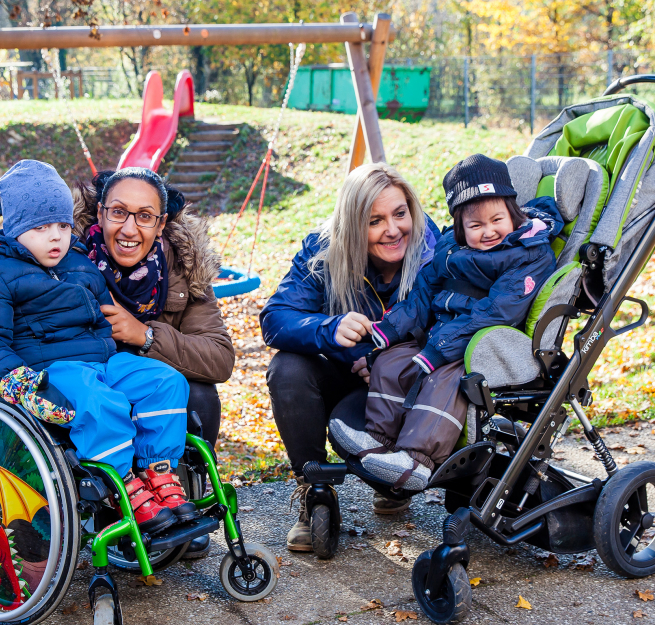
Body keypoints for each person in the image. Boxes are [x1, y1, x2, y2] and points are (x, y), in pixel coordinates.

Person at [0, 159, 195, 534]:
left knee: (166, 382)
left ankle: (159, 471)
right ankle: (123, 485)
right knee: (97, 400)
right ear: (15, 228)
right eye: (41, 227)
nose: (56, 237)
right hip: (49, 369)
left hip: (101, 360)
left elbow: (102, 320)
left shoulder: (79, 263)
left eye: (63, 226)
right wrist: (14, 380)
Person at [330, 155, 562, 489]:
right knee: (391, 360)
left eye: (497, 219)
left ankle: (417, 461)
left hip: (484, 342)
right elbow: (425, 290)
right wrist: (391, 328)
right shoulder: (451, 247)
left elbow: (498, 312)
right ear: (459, 227)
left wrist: (438, 350)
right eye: (475, 225)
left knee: (443, 380)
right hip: (443, 332)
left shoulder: (528, 253)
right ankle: (380, 438)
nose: (488, 232)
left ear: (514, 215)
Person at [260, 163, 440, 551]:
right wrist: (330, 330)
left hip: (411, 389)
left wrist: (384, 361)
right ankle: (315, 489)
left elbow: (455, 328)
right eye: (375, 220)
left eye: (400, 213)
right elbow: (275, 317)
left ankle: (397, 473)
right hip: (345, 378)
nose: (392, 230)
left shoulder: (435, 253)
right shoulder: (323, 251)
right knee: (287, 368)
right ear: (352, 225)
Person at [75, 166, 236, 558]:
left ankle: (173, 493)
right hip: (87, 380)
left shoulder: (182, 270)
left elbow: (220, 357)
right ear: (100, 214)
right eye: (119, 212)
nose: (130, 229)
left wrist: (145, 336)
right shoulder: (64, 254)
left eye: (145, 217)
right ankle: (108, 504)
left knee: (198, 392)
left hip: (151, 382)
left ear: (161, 223)